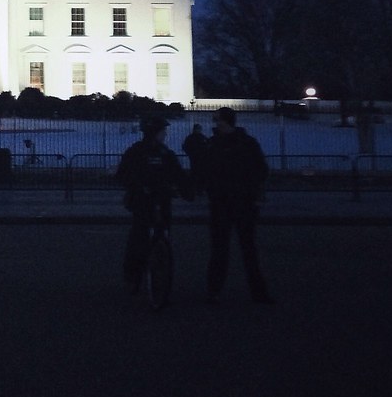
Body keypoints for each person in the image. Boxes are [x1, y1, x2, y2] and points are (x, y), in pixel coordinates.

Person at [201, 107, 274, 304]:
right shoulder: (246, 143)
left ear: (224, 121)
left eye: (217, 120)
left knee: (227, 250)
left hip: (231, 202)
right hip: (239, 202)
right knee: (243, 250)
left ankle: (215, 291)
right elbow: (261, 170)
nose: (215, 123)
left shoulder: (214, 144)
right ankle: (257, 293)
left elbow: (206, 172)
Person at [116, 115, 188, 295]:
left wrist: (185, 190)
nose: (165, 134)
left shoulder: (164, 153)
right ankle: (133, 275)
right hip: (142, 201)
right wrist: (138, 186)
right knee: (138, 239)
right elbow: (123, 174)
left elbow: (178, 174)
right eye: (162, 131)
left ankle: (158, 271)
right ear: (154, 133)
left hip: (161, 201)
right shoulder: (137, 152)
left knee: (161, 233)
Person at [182, 123, 208, 189]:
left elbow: (185, 147)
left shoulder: (192, 137)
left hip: (197, 158)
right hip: (196, 158)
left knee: (197, 172)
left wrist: (190, 153)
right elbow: (185, 147)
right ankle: (198, 188)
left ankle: (197, 188)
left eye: (199, 129)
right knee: (197, 172)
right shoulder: (201, 137)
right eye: (198, 129)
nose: (199, 130)